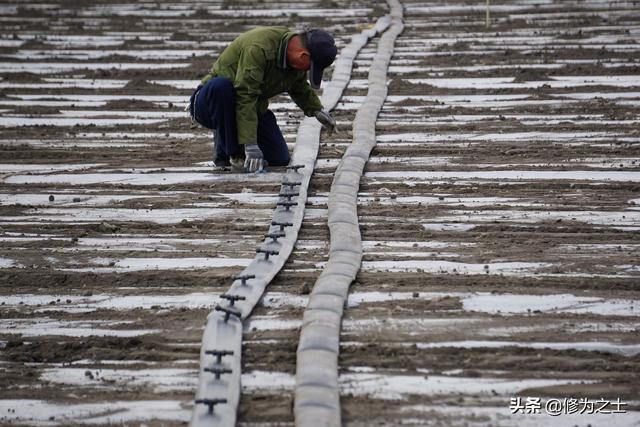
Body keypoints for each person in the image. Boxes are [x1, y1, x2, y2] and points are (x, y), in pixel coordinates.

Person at [189, 26, 338, 173]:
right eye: (309, 68)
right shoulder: (258, 48)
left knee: (279, 158)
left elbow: (299, 87)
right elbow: (245, 96)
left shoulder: (293, 59)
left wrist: (317, 109)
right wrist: (250, 145)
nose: (307, 72)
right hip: (210, 105)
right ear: (303, 55)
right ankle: (230, 152)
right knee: (221, 87)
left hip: (250, 107)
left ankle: (232, 140)